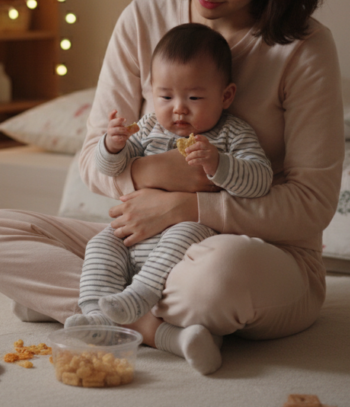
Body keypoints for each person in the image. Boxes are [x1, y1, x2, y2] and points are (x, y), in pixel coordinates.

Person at [0, 0, 344, 376]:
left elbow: (311, 207)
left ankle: (74, 304)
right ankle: (153, 329)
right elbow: (93, 163)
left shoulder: (304, 48)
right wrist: (151, 176)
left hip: (256, 255)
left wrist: (188, 208)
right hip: (137, 240)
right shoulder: (143, 20)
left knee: (215, 283)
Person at [69, 23, 272, 335]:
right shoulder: (149, 126)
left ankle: (138, 298)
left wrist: (219, 164)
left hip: (189, 229)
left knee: (185, 233)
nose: (178, 109)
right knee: (102, 242)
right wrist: (112, 145)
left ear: (226, 95)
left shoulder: (232, 132)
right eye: (165, 96)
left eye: (193, 97)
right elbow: (111, 168)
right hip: (133, 229)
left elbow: (260, 180)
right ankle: (96, 311)